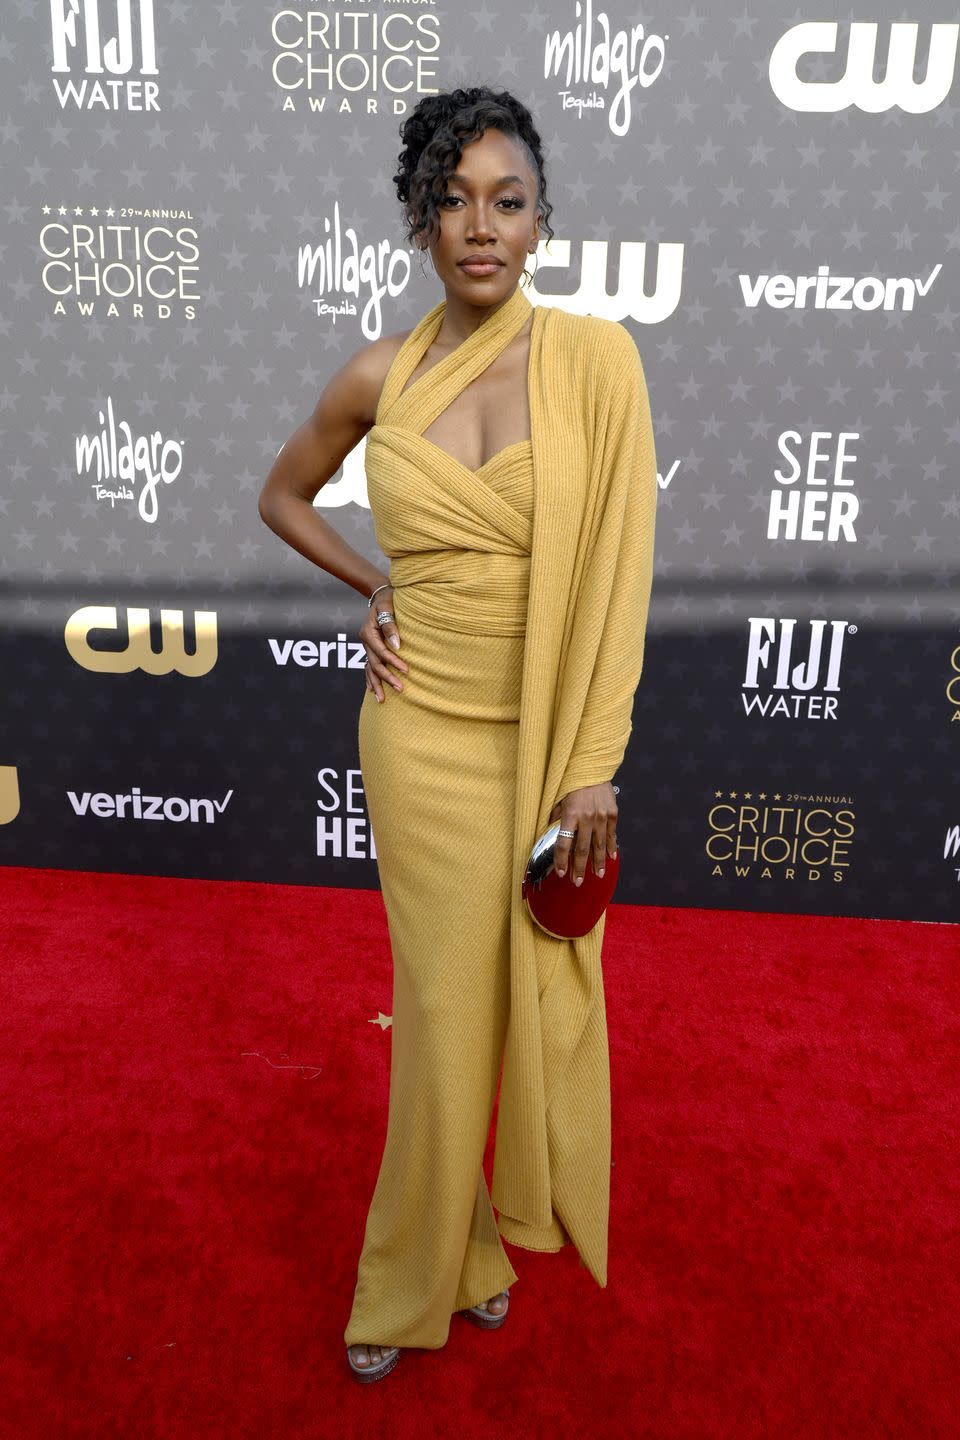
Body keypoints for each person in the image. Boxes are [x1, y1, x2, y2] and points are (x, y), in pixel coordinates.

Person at [258, 86, 658, 1384]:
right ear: (420, 221)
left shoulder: (596, 365)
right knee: (440, 1017)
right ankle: (409, 1276)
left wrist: (593, 763)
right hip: (419, 739)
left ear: (543, 222)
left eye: (509, 199)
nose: (480, 225)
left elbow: (621, 572)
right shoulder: (384, 371)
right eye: (453, 200)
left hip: (546, 752)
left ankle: (478, 1249)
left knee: (515, 1014)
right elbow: (282, 493)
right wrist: (372, 586)